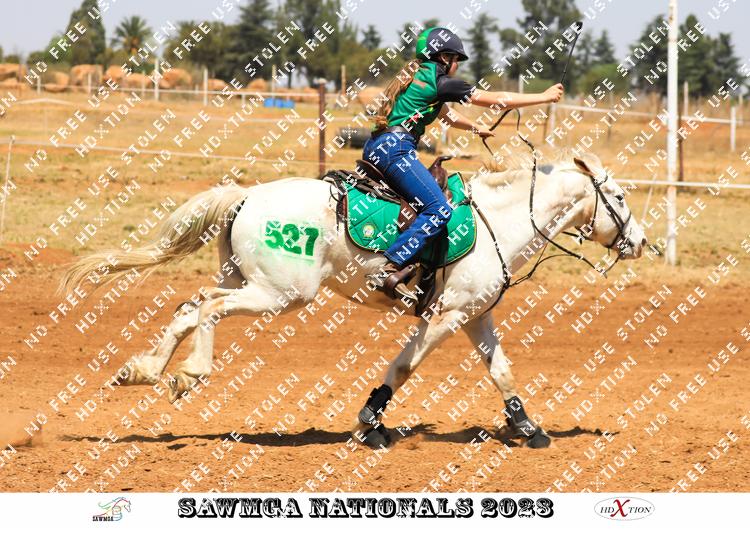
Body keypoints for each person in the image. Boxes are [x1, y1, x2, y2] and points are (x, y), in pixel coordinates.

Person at [363, 26, 564, 301]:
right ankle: (391, 265)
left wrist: (475, 128)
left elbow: (446, 114)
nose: (457, 65)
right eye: (456, 59)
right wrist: (543, 97)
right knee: (439, 209)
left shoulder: (418, 76)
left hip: (378, 146)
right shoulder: (440, 81)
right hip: (396, 151)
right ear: (444, 57)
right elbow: (497, 100)